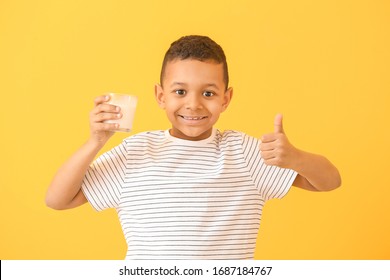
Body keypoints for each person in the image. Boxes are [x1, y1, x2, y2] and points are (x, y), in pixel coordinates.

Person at [46, 35, 341, 260]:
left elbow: (328, 182)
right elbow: (58, 199)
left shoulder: (243, 152)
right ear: (161, 96)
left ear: (226, 99)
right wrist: (94, 142)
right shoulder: (135, 152)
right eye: (180, 91)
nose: (194, 104)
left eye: (209, 93)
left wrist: (296, 158)